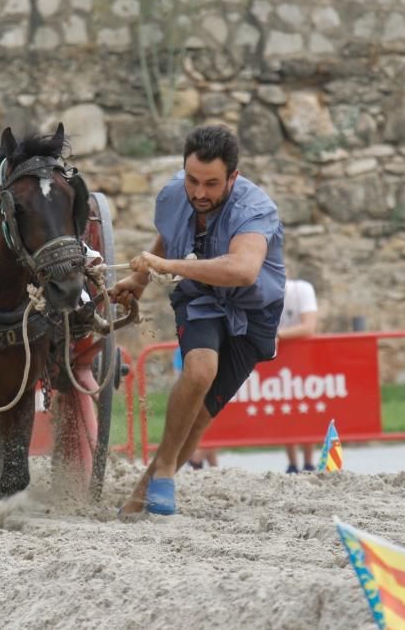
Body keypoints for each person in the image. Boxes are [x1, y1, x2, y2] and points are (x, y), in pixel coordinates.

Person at [111, 125, 285, 516]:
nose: (199, 193)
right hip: (200, 296)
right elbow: (169, 237)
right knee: (200, 368)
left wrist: (165, 266)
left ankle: (141, 496)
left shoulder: (255, 209)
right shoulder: (174, 194)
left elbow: (243, 270)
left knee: (201, 414)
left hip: (253, 312)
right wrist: (139, 279)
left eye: (211, 184)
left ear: (233, 178)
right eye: (192, 180)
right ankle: (167, 472)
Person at [278, 274, 319, 473]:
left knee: (306, 409)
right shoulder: (263, 293)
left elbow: (309, 327)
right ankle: (293, 463)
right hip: (280, 361)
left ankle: (309, 462)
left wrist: (278, 335)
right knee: (285, 409)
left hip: (304, 359)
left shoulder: (302, 289)